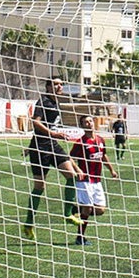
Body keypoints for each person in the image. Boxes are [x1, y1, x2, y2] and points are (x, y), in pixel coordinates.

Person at [22, 82, 71, 237]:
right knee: (40, 186)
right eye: (56, 84)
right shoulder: (44, 101)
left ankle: (68, 214)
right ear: (48, 87)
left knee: (72, 176)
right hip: (41, 148)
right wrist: (53, 134)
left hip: (52, 145)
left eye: (61, 84)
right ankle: (29, 223)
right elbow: (36, 121)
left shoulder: (56, 102)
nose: (59, 87)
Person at [67, 120, 110, 245]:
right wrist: (78, 169)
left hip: (97, 180)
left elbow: (103, 155)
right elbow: (70, 157)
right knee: (87, 208)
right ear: (82, 126)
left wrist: (112, 170)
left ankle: (75, 208)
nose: (89, 123)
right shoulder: (81, 142)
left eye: (90, 121)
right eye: (86, 122)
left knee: (100, 210)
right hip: (84, 180)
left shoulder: (100, 140)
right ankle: (80, 237)